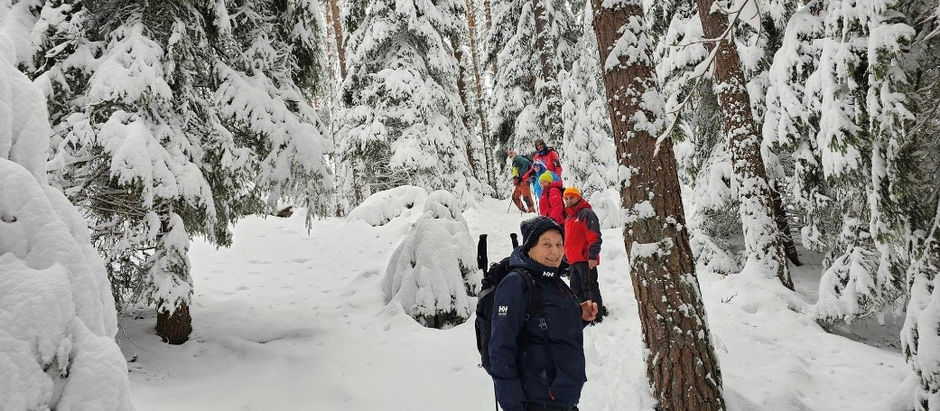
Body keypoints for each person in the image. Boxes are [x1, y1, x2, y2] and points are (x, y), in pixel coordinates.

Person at [489, 216, 598, 411]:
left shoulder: (552, 279)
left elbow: (544, 325)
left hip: (561, 399)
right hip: (537, 402)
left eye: (558, 244)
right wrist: (514, 406)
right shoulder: (516, 283)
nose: (555, 251)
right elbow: (501, 349)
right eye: (546, 244)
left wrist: (579, 315)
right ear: (530, 248)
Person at [562, 187, 607, 323]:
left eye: (572, 197)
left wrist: (592, 256)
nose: (569, 201)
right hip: (573, 260)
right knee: (575, 289)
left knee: (590, 288)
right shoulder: (569, 217)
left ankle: (596, 316)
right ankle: (582, 314)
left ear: (578, 198)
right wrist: (566, 257)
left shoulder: (586, 213)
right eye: (566, 198)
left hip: (585, 259)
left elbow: (594, 237)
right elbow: (569, 240)